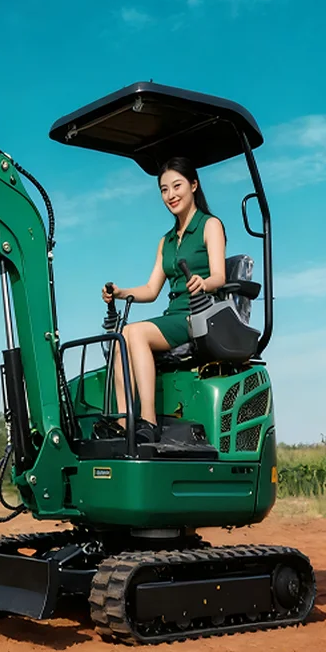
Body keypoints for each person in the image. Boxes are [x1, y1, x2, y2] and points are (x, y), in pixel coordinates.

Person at [101, 156, 226, 443]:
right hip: (173, 314)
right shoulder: (166, 240)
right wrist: (119, 293)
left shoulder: (210, 226)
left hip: (198, 315)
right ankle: (123, 421)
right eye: (164, 190)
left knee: (136, 333)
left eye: (177, 186)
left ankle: (148, 421)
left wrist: (203, 282)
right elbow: (151, 289)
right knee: (122, 337)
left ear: (194, 185)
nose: (171, 195)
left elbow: (219, 275)